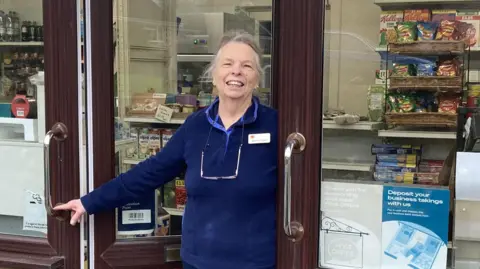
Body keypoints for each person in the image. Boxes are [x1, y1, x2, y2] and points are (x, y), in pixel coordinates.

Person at [55, 29, 278, 269]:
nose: (236, 71)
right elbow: (149, 173)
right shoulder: (196, 126)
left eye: (247, 66)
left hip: (255, 262)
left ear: (256, 79)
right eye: (228, 63)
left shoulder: (275, 125)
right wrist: (89, 202)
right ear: (214, 75)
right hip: (198, 261)